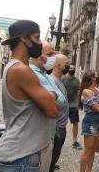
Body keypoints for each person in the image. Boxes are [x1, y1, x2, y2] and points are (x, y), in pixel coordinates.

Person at [0, 20, 59, 171]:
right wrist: (52, 95)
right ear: (24, 38)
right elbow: (53, 111)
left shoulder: (14, 67)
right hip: (22, 157)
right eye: (37, 38)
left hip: (19, 155)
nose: (39, 43)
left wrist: (49, 95)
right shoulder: (22, 70)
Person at [30, 41, 67, 172]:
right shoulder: (33, 74)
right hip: (36, 141)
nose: (54, 57)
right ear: (37, 55)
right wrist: (54, 95)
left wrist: (54, 95)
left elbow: (61, 100)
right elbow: (57, 101)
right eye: (50, 54)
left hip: (47, 136)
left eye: (54, 53)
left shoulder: (46, 75)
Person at [79, 71, 99, 172]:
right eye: (95, 75)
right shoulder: (86, 91)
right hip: (90, 122)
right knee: (88, 150)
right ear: (91, 78)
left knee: (94, 150)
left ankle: (89, 170)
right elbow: (97, 108)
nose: (97, 76)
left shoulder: (96, 90)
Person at [49, 53, 70, 172]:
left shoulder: (60, 81)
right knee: (50, 160)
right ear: (57, 65)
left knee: (54, 158)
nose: (68, 66)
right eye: (66, 63)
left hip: (61, 127)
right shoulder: (52, 81)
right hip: (56, 128)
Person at [62, 63, 83, 150]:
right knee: (62, 123)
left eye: (73, 68)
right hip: (64, 104)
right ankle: (60, 140)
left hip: (73, 104)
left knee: (75, 123)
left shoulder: (77, 80)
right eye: (70, 68)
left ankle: (74, 141)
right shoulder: (63, 79)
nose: (72, 69)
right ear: (68, 69)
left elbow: (78, 91)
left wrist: (79, 103)